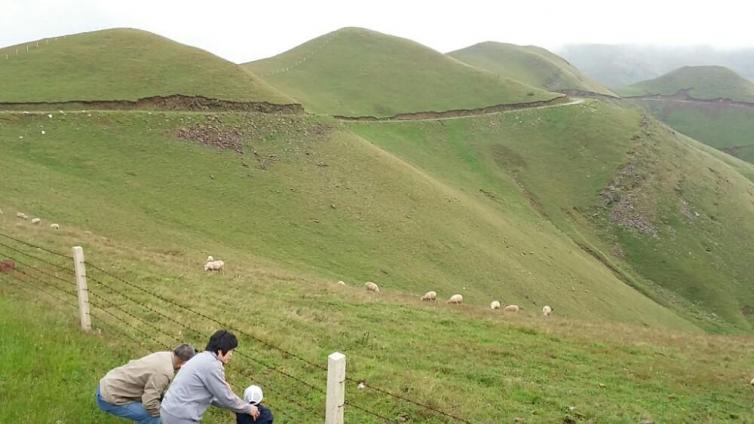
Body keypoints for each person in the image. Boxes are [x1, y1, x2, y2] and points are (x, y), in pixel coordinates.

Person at [160, 329, 260, 423]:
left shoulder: (201, 357)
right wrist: (249, 408)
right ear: (220, 351)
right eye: (231, 351)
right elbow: (225, 396)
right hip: (180, 418)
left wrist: (236, 407)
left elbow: (214, 396)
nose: (231, 355)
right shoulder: (212, 365)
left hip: (169, 411)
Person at [96, 344, 196, 424]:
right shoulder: (165, 372)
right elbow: (149, 402)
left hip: (108, 384)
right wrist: (165, 417)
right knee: (153, 417)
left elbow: (154, 389)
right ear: (183, 364)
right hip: (109, 397)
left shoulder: (164, 355)